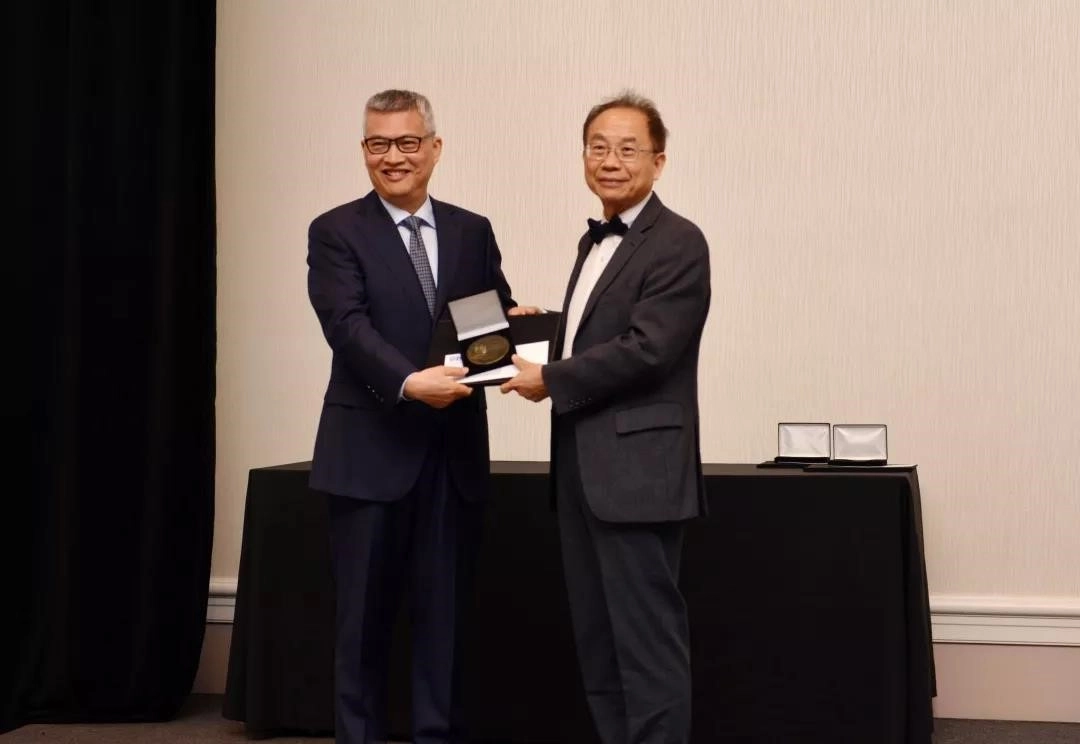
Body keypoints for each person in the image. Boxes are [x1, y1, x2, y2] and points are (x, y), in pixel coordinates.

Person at [307, 89, 534, 744]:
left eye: (407, 142)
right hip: (367, 454)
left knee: (445, 623)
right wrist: (409, 383)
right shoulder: (336, 230)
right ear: (364, 150)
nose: (393, 156)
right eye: (378, 143)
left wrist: (514, 329)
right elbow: (346, 327)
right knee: (361, 626)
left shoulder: (472, 230)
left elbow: (485, 318)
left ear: (434, 149)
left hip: (451, 458)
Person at [501, 92, 711, 744]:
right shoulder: (594, 240)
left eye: (627, 149)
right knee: (599, 645)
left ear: (659, 160)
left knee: (646, 647)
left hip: (637, 475)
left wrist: (549, 378)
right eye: (598, 147)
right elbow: (602, 333)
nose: (610, 161)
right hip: (582, 470)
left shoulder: (678, 240)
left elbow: (650, 348)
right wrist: (543, 333)